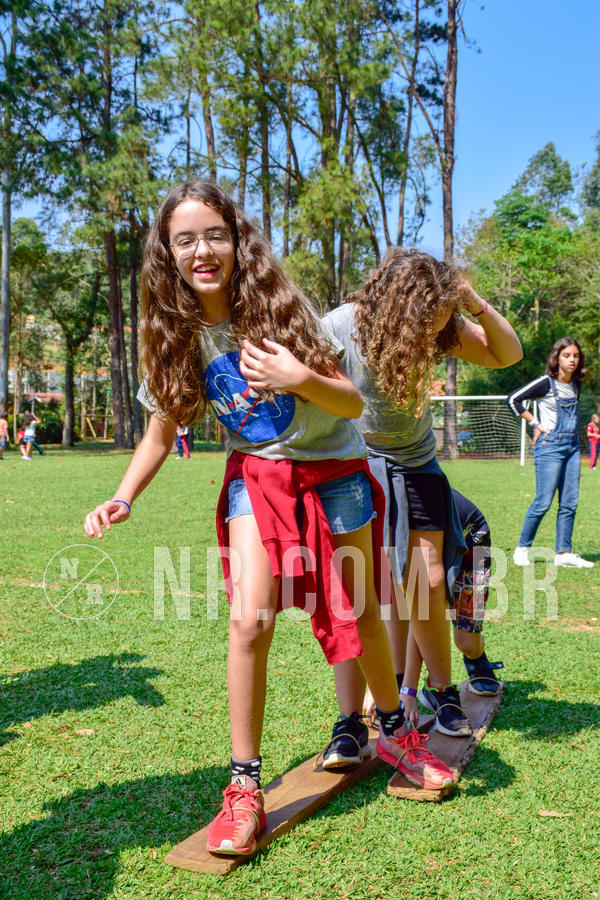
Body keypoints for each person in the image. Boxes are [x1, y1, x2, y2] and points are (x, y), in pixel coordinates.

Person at [83, 182, 454, 857]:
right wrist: (124, 495)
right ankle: (244, 786)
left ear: (237, 240)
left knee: (361, 614)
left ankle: (397, 734)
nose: (202, 250)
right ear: (167, 253)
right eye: (185, 240)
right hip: (257, 478)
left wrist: (296, 375)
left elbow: (349, 403)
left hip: (337, 474)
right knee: (249, 619)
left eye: (214, 235)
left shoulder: (282, 308)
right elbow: (162, 429)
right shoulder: (176, 332)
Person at [319, 248, 521, 762]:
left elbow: (506, 354)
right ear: (401, 307)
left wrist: (472, 303)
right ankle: (353, 717)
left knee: (428, 583)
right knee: (361, 593)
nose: (436, 334)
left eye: (443, 320)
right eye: (430, 321)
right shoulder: (341, 326)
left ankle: (442, 692)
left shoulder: (443, 325)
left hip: (417, 465)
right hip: (355, 467)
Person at [508, 336, 593, 568]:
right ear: (557, 358)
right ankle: (522, 548)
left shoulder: (576, 385)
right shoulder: (546, 383)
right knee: (543, 501)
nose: (572, 360)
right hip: (550, 447)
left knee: (569, 503)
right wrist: (535, 423)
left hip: (572, 448)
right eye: (567, 355)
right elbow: (513, 399)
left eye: (575, 356)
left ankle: (563, 553)